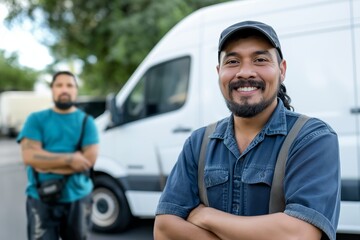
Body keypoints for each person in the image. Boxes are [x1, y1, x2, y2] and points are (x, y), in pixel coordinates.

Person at [154, 21, 340, 240]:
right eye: (232, 61)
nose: (245, 72)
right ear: (219, 72)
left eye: (260, 60)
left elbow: (299, 234)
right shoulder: (199, 142)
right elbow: (164, 229)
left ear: (282, 70)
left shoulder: (312, 138)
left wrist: (207, 216)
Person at [17, 71, 99, 240]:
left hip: (78, 197)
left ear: (76, 90)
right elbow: (29, 157)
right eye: (59, 85)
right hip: (40, 197)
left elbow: (88, 160)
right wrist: (71, 159)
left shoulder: (86, 121)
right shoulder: (36, 119)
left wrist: (45, 163)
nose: (64, 89)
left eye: (70, 85)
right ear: (52, 89)